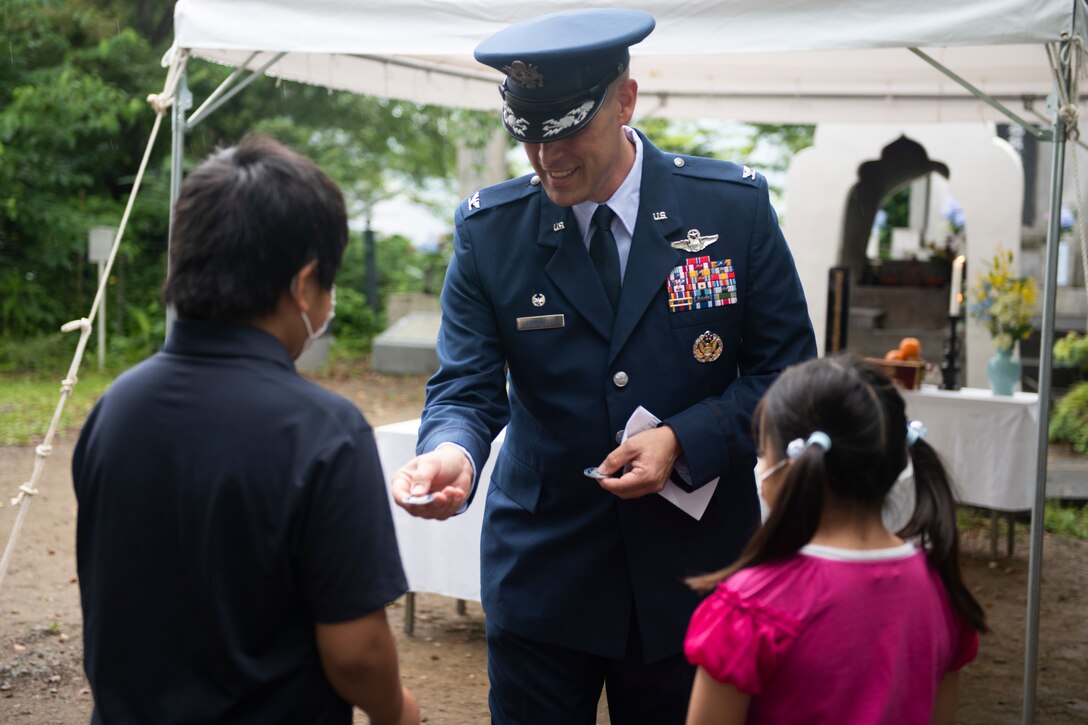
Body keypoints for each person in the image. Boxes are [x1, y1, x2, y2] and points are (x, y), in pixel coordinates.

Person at [392, 8, 816, 722]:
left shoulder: (732, 209)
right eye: (528, 133)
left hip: (694, 576)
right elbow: (465, 385)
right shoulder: (492, 232)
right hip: (544, 574)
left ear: (626, 101)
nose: (546, 156)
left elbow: (792, 380)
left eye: (566, 130)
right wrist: (452, 450)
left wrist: (686, 437)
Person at [72, 135, 419, 725]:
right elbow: (356, 653)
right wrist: (399, 712)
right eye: (329, 286)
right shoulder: (325, 432)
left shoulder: (114, 409)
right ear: (305, 284)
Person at [684, 355, 987, 725]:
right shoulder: (943, 593)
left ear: (793, 463)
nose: (759, 467)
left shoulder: (749, 608)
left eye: (763, 453)